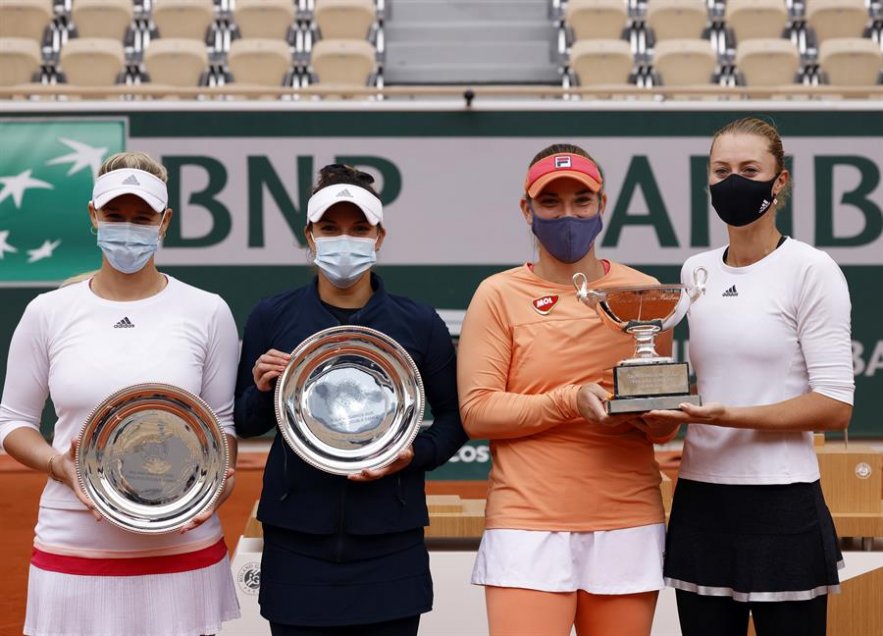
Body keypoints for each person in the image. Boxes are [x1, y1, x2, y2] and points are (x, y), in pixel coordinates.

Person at [0, 152, 242, 635]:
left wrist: (212, 489)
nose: (127, 228)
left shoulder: (208, 311)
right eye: (114, 216)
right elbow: (12, 423)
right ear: (93, 215)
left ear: (164, 221)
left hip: (181, 548)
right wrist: (60, 467)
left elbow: (222, 426)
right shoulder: (48, 312)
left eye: (141, 217)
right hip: (73, 546)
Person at [234, 163, 467, 636]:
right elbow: (244, 421)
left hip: (389, 545)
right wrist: (261, 389)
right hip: (297, 545)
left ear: (379, 236)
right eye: (330, 228)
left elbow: (453, 421)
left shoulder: (418, 324)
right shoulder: (272, 316)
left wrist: (412, 455)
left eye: (359, 228)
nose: (345, 239)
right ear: (310, 235)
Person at [457, 144, 681, 636]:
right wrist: (571, 400)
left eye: (582, 200)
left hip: (627, 518)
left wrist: (660, 417)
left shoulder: (645, 294)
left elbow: (659, 427)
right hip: (526, 523)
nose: (568, 214)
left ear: (603, 204)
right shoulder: (497, 294)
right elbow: (477, 412)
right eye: (550, 202)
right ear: (526, 209)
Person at [644, 117, 854, 636]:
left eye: (749, 169)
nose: (733, 180)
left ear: (779, 181)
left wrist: (727, 415)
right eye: (722, 170)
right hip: (701, 498)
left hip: (782, 503)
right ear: (708, 181)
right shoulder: (696, 270)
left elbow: (834, 404)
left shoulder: (812, 269)